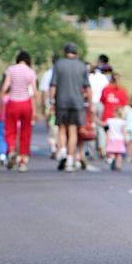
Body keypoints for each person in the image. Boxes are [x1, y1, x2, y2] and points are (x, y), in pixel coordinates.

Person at [49, 43, 91, 172]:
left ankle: (62, 150)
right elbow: (87, 87)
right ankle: (71, 159)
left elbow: (53, 85)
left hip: (61, 101)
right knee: (73, 131)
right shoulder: (82, 65)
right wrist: (90, 103)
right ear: (76, 52)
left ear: (65, 52)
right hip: (77, 102)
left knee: (62, 128)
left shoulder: (59, 64)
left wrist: (51, 101)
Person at [0, 50, 37, 172]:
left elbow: (5, 87)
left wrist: (1, 99)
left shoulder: (11, 70)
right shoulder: (31, 72)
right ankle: (23, 160)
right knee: (26, 132)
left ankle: (11, 150)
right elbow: (33, 92)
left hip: (13, 102)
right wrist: (35, 110)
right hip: (26, 103)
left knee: (10, 129)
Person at [88, 62, 109, 159]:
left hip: (91, 103)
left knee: (92, 126)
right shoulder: (103, 78)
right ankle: (102, 147)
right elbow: (106, 91)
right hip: (101, 103)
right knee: (101, 126)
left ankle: (91, 150)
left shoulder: (89, 77)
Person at [39, 55, 58, 159]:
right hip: (60, 103)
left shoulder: (47, 74)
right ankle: (59, 146)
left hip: (50, 104)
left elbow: (44, 91)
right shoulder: (61, 73)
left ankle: (54, 147)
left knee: (51, 126)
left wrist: (44, 105)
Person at [105, 106, 127, 171]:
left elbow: (107, 130)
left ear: (114, 113)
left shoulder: (109, 121)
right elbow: (123, 131)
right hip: (120, 139)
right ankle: (118, 166)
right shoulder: (122, 122)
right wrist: (126, 139)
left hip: (112, 139)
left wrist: (107, 138)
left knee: (112, 153)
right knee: (119, 154)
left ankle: (111, 160)